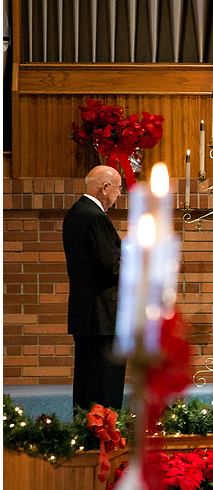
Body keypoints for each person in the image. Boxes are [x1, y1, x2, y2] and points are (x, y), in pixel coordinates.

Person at [63, 165, 126, 410]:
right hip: (103, 318)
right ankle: (104, 445)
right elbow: (112, 266)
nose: (119, 195)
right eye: (118, 189)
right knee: (105, 392)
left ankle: (85, 442)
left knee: (87, 388)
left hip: (87, 315)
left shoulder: (76, 213)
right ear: (105, 188)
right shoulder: (95, 217)